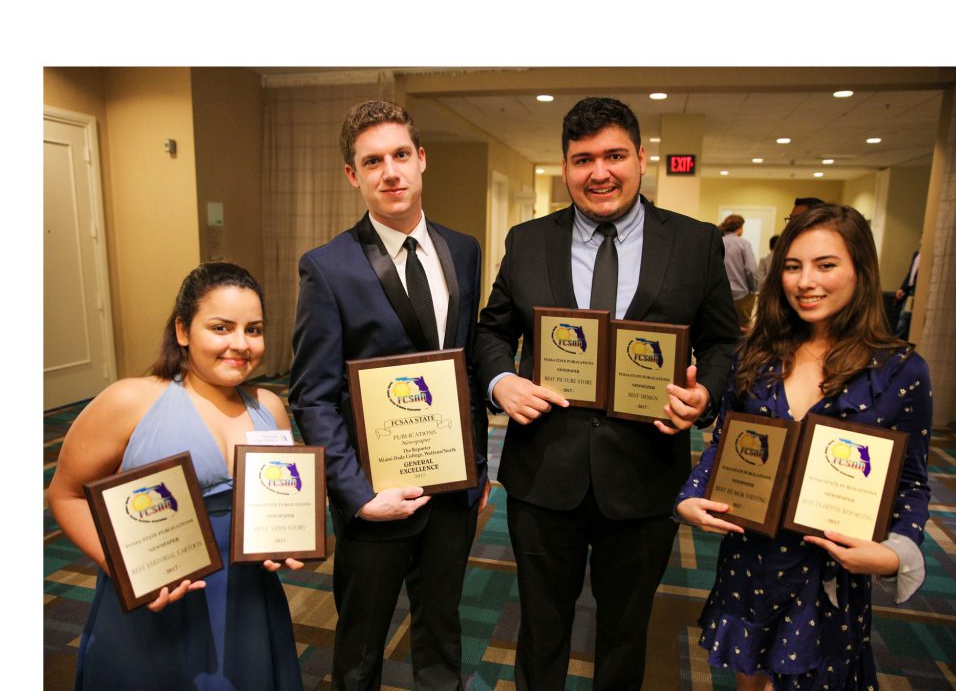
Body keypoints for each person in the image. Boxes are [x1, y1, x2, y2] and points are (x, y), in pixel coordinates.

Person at [474, 96, 740, 690]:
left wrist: (707, 397)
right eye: (582, 159)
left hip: (645, 473)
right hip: (544, 472)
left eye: (615, 155)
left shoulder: (695, 243)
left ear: (643, 158)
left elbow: (724, 343)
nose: (599, 172)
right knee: (541, 626)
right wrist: (502, 380)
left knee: (626, 630)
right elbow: (493, 330)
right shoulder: (527, 240)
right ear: (565, 168)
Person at [675, 204, 932, 690]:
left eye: (826, 265)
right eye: (793, 267)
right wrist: (691, 496)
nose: (805, 281)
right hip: (751, 557)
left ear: (861, 269)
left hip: (827, 572)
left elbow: (913, 483)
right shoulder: (757, 352)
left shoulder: (900, 370)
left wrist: (895, 554)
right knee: (749, 677)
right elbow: (726, 441)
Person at [289, 100, 488, 691]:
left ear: (422, 160)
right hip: (374, 494)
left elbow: (467, 369)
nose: (390, 172)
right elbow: (312, 396)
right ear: (354, 175)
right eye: (372, 161)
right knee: (359, 649)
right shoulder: (327, 268)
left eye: (401, 155)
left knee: (442, 635)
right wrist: (355, 494)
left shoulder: (464, 249)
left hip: (452, 491)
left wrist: (476, 473)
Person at [47, 262, 304, 690]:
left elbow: (278, 498)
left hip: (245, 598)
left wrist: (286, 539)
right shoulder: (130, 400)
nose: (240, 344)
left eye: (254, 330)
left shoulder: (269, 407)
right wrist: (126, 570)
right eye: (221, 328)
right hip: (157, 596)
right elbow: (66, 495)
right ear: (183, 331)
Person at [720, 214, 759, 328]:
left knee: (724, 328)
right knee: (742, 331)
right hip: (741, 297)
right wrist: (754, 289)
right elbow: (751, 269)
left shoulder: (718, 242)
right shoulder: (743, 244)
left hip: (721, 296)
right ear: (740, 227)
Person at [893, 236, 922, 340]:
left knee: (907, 318)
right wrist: (902, 288)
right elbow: (910, 273)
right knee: (903, 316)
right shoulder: (916, 254)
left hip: (917, 290)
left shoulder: (925, 256)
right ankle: (897, 339)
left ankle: (900, 340)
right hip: (909, 289)